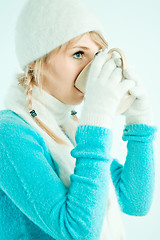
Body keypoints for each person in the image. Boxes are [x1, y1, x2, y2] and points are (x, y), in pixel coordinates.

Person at [0, 0, 157, 239]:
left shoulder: (68, 126)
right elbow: (78, 232)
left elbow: (135, 202)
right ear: (36, 64)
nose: (93, 68)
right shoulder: (9, 133)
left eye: (97, 56)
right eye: (78, 54)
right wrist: (96, 119)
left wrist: (139, 121)